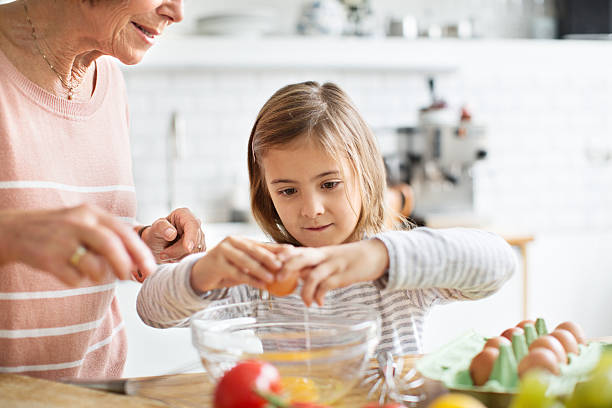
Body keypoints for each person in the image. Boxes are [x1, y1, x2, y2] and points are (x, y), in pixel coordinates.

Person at [137, 81, 517, 356]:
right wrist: (201, 272)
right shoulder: (264, 277)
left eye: (330, 183)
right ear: (266, 193)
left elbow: (498, 262)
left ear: (364, 175)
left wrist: (378, 256)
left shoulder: (397, 270)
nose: (311, 208)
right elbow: (151, 310)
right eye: (288, 190)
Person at [0, 0, 204, 380]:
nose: (177, 12)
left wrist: (137, 241)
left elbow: (63, 233)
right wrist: (11, 236)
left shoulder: (107, 75)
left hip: (93, 391)